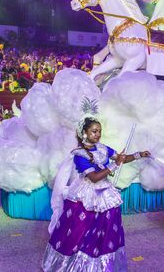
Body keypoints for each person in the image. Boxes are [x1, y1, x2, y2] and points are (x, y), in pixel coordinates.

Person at [42, 115, 150, 271]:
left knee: (105, 229)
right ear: (84, 133)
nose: (98, 134)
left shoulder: (102, 148)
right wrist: (115, 165)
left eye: (99, 131)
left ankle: (102, 265)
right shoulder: (79, 154)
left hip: (105, 192)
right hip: (85, 194)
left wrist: (138, 155)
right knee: (79, 231)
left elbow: (121, 158)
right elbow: (93, 178)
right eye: (94, 131)